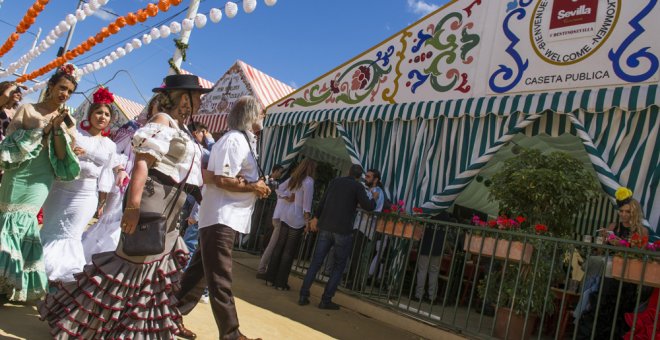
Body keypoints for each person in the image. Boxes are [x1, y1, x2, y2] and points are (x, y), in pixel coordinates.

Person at [39, 73, 209, 339]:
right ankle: (77, 326)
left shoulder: (181, 128)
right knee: (127, 268)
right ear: (182, 98)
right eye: (197, 95)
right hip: (154, 200)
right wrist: (133, 206)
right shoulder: (161, 121)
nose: (200, 101)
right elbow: (142, 163)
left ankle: (134, 332)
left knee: (151, 276)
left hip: (173, 206)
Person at [176, 96, 270, 340]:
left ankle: (170, 317)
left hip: (223, 216)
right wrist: (254, 187)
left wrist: (256, 185)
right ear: (250, 116)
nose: (263, 117)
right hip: (221, 216)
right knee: (220, 278)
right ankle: (231, 334)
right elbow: (222, 179)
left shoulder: (243, 141)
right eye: (260, 113)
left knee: (198, 275)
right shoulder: (234, 140)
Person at [0, 65, 81, 304]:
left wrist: (58, 129)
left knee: (25, 224)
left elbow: (62, 155)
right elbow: (10, 144)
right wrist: (45, 127)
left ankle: (10, 281)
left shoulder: (69, 120)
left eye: (69, 91)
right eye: (62, 88)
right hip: (18, 172)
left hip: (42, 177)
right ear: (51, 87)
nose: (64, 94)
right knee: (6, 221)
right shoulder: (27, 109)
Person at [40, 87, 127, 284]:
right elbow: (57, 152)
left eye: (106, 114)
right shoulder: (75, 134)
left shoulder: (110, 145)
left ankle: (60, 280)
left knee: (71, 235)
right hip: (59, 190)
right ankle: (37, 274)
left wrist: (120, 173)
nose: (102, 117)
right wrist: (70, 150)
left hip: (85, 196)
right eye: (98, 112)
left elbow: (114, 167)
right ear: (90, 114)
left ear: (110, 119)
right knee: (50, 231)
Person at [576, 187, 653, 339]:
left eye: (627, 211)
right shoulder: (613, 226)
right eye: (621, 211)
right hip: (609, 274)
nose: (623, 214)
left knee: (620, 311)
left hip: (628, 276)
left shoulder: (642, 231)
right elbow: (601, 252)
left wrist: (623, 245)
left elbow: (641, 255)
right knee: (602, 308)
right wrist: (605, 240)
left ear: (634, 213)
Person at [298, 164, 376, 310]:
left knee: (316, 262)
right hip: (343, 230)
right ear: (359, 177)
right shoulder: (358, 187)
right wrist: (374, 199)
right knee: (339, 266)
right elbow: (368, 206)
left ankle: (303, 295)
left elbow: (323, 201)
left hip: (326, 226)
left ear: (348, 172)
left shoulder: (335, 182)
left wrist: (316, 217)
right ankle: (326, 300)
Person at [81, 120, 139, 263]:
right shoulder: (132, 128)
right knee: (108, 221)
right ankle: (90, 259)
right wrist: (120, 169)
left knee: (120, 227)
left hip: (138, 188)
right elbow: (113, 151)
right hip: (121, 184)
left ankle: (108, 262)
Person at [265, 159, 316, 290]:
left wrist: (286, 197)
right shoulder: (308, 181)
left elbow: (279, 188)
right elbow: (307, 205)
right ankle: (280, 282)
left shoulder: (294, 178)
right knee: (289, 251)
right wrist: (307, 222)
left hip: (286, 214)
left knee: (279, 247)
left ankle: (270, 278)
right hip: (297, 217)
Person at [256, 164, 290, 278]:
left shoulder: (279, 183)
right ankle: (260, 252)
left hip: (272, 209)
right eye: (279, 172)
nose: (280, 174)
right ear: (274, 171)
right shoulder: (264, 178)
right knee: (264, 230)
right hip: (265, 207)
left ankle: (262, 252)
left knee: (268, 232)